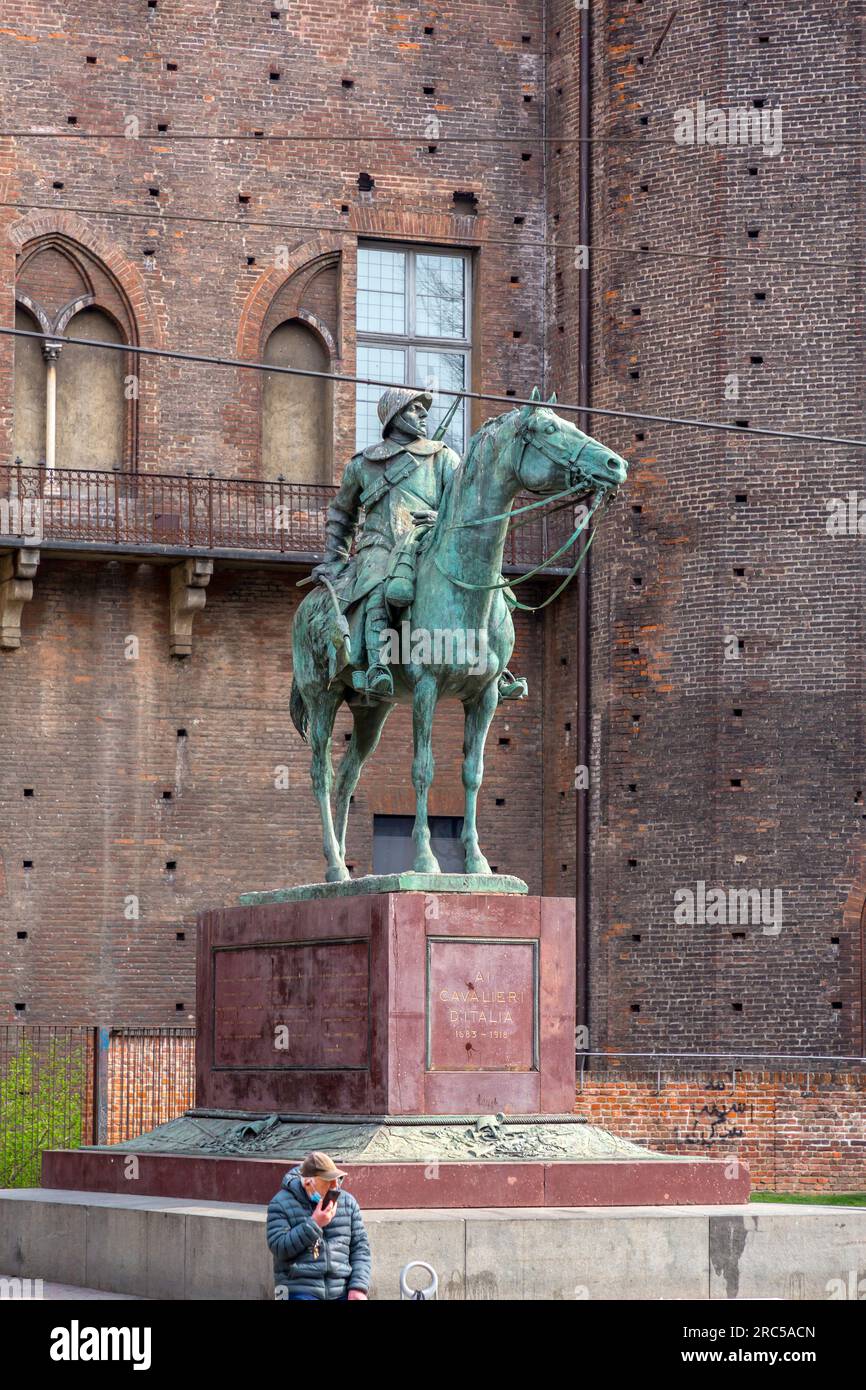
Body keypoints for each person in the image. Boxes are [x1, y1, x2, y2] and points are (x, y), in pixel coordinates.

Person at [312, 386, 527, 701]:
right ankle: (378, 666)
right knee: (377, 586)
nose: (424, 414)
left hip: (429, 540)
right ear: (394, 415)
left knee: (493, 589)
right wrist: (334, 559)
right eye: (414, 408)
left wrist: (439, 518)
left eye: (423, 409)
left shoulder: (443, 457)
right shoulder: (363, 464)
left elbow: (462, 504)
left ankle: (497, 669)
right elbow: (342, 514)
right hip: (381, 544)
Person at [267, 1150, 372, 1301]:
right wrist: (314, 1224)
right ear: (308, 1183)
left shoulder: (348, 1203)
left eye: (336, 1179)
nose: (335, 1186)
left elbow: (360, 1249)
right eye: (328, 1181)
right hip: (298, 1287)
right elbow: (279, 1247)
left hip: (341, 1288)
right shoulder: (280, 1203)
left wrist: (358, 1287)